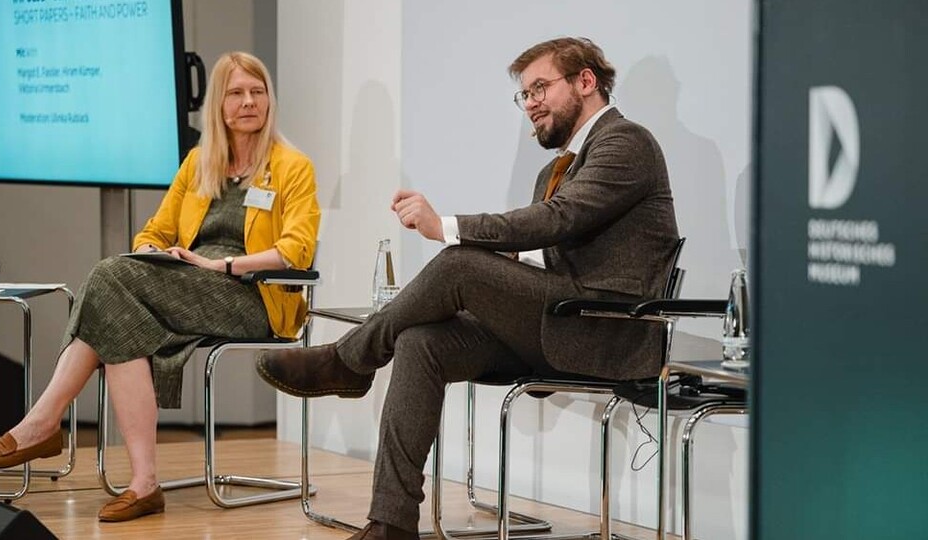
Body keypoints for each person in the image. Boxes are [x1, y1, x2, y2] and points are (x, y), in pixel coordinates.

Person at [256, 37, 678, 540]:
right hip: (559, 320)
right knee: (421, 341)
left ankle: (349, 360)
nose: (531, 104)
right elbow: (553, 246)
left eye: (540, 87)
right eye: (524, 95)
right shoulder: (555, 168)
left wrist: (447, 227)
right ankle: (391, 523)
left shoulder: (626, 142)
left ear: (586, 81)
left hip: (607, 332)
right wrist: (504, 264)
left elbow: (559, 218)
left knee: (458, 262)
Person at [0, 51, 320, 522]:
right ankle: (141, 482)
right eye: (236, 92)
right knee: (118, 304)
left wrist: (226, 266)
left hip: (253, 296)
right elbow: (153, 231)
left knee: (109, 280)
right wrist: (161, 252)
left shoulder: (293, 166)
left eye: (257, 92)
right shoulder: (199, 164)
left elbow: (295, 250)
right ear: (218, 103)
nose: (248, 102)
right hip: (189, 283)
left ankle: (44, 424)